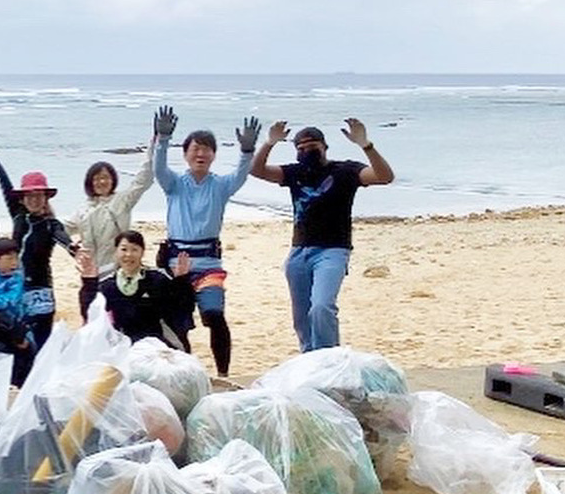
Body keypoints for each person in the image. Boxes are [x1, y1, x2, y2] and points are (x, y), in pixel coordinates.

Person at [249, 118, 394, 352]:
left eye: (312, 146)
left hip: (333, 251)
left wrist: (366, 145)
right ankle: (310, 360)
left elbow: (384, 176)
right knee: (302, 318)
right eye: (300, 148)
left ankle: (329, 358)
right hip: (299, 252)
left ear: (325, 146)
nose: (307, 151)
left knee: (322, 307)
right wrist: (270, 143)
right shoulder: (294, 173)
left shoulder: (346, 171)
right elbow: (256, 170)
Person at [152, 106, 261, 377]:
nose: (200, 154)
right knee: (179, 323)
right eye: (195, 149)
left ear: (213, 155)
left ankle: (223, 374)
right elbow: (158, 168)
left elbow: (241, 174)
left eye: (206, 149)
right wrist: (162, 139)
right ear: (186, 154)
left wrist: (247, 151)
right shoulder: (174, 184)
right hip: (178, 266)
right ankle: (185, 374)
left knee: (213, 314)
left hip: (210, 264)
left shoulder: (221, 185)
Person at [0, 134, 78, 350]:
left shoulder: (50, 224)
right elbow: (3, 180)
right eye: (29, 195)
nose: (34, 199)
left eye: (39, 195)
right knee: (16, 337)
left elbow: (64, 238)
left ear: (46, 198)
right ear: (22, 198)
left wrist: (74, 248)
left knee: (41, 340)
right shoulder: (18, 215)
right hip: (12, 285)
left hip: (40, 290)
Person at [76, 231, 194, 348]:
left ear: (142, 252)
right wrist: (89, 283)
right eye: (124, 249)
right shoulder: (108, 285)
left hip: (156, 343)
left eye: (134, 249)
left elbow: (182, 308)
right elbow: (90, 313)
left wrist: (181, 281)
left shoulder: (156, 279)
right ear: (116, 252)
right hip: (121, 345)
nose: (128, 255)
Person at [65, 133, 155, 278]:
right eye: (96, 178)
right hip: (91, 272)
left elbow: (144, 179)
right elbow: (61, 230)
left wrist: (155, 144)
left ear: (113, 180)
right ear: (89, 182)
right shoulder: (83, 210)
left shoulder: (122, 200)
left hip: (118, 269)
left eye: (105, 177)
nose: (101, 182)